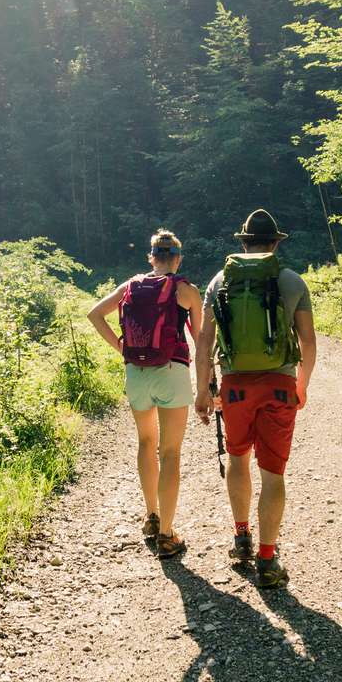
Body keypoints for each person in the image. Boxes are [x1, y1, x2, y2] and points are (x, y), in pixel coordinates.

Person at [194, 209, 316, 589]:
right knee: (273, 472)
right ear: (276, 243)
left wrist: (202, 389)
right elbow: (309, 341)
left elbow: (204, 343)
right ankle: (267, 558)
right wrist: (302, 384)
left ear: (243, 241)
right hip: (279, 384)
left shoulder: (219, 281)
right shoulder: (291, 280)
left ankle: (241, 536)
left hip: (234, 386)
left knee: (238, 457)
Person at [87, 229, 203, 558]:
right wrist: (209, 379)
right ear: (177, 259)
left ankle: (151, 517)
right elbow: (201, 338)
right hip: (172, 372)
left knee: (146, 443)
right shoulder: (186, 290)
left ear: (152, 257)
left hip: (136, 373)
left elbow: (94, 314)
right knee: (170, 452)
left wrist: (120, 346)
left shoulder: (131, 286)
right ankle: (167, 534)